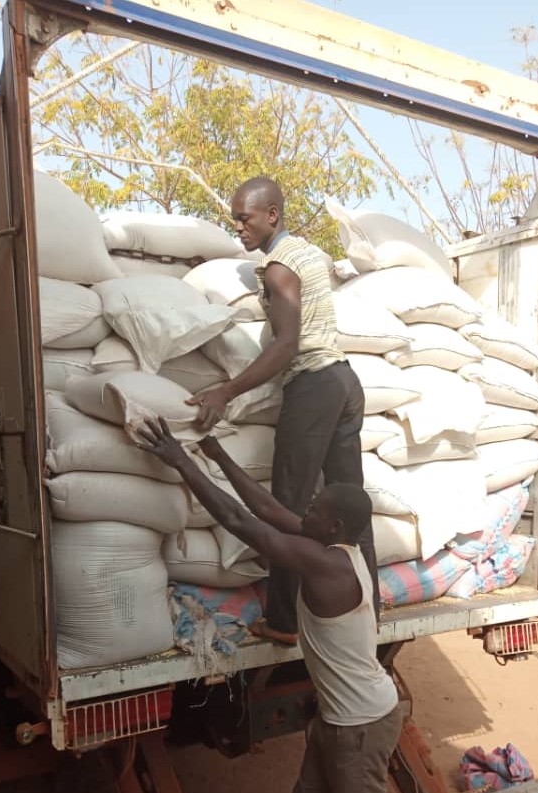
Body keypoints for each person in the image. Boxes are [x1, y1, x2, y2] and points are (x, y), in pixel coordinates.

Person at [136, 417, 402, 793]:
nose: (308, 509)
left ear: (334, 526)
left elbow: (238, 521)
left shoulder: (327, 566)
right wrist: (219, 456)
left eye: (316, 508)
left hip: (360, 726)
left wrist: (181, 461)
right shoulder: (336, 548)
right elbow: (266, 509)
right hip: (339, 719)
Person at [186, 176, 379, 643]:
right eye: (234, 219)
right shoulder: (308, 253)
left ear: (272, 214)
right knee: (351, 505)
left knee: (291, 504)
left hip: (314, 386)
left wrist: (225, 392)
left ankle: (284, 621)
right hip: (345, 382)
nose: (238, 228)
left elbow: (287, 345)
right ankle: (369, 609)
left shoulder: (278, 267)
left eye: (244, 218)